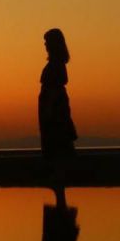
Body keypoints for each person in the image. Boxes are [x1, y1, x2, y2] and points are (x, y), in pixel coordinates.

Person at [39, 28, 77, 192]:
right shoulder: (56, 64)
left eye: (47, 42)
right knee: (57, 142)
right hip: (56, 106)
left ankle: (59, 180)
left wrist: (48, 109)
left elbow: (54, 90)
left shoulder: (55, 65)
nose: (45, 45)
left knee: (56, 141)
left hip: (55, 109)